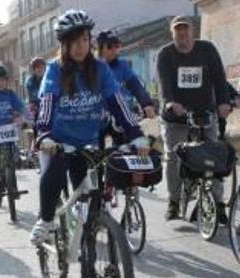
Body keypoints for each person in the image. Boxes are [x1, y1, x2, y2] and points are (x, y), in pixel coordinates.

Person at [30, 9, 150, 245]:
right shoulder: (55, 70)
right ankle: (45, 220)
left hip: (88, 142)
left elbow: (118, 103)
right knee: (54, 174)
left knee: (92, 200)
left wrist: (136, 136)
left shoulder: (101, 69)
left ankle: (89, 257)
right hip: (58, 142)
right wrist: (44, 134)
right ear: (64, 44)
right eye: (73, 41)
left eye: (84, 39)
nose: (80, 46)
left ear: (90, 41)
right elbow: (46, 103)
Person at [156, 15, 232, 221]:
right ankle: (173, 201)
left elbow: (219, 78)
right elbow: (164, 84)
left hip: (204, 113)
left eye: (186, 29)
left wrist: (224, 102)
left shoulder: (207, 49)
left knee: (213, 155)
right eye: (178, 31)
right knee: (173, 157)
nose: (182, 34)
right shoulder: (165, 54)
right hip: (176, 117)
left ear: (193, 31)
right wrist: (170, 103)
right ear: (173, 34)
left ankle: (218, 203)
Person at [96, 29, 155, 148]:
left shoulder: (123, 65)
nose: (114, 51)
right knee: (95, 156)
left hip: (121, 116)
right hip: (98, 119)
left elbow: (135, 85)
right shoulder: (93, 68)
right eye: (110, 47)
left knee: (127, 152)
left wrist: (146, 103)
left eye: (117, 46)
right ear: (101, 49)